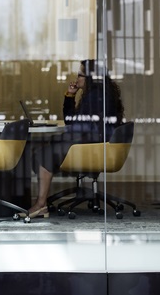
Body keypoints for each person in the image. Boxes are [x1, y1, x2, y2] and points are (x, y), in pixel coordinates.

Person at [26, 59, 124, 218]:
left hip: (92, 147)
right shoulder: (97, 93)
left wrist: (59, 138)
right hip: (93, 143)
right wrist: (70, 95)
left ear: (90, 77)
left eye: (80, 75)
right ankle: (41, 204)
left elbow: (78, 126)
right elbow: (73, 123)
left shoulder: (96, 96)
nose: (77, 78)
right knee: (47, 148)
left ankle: (40, 204)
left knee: (45, 154)